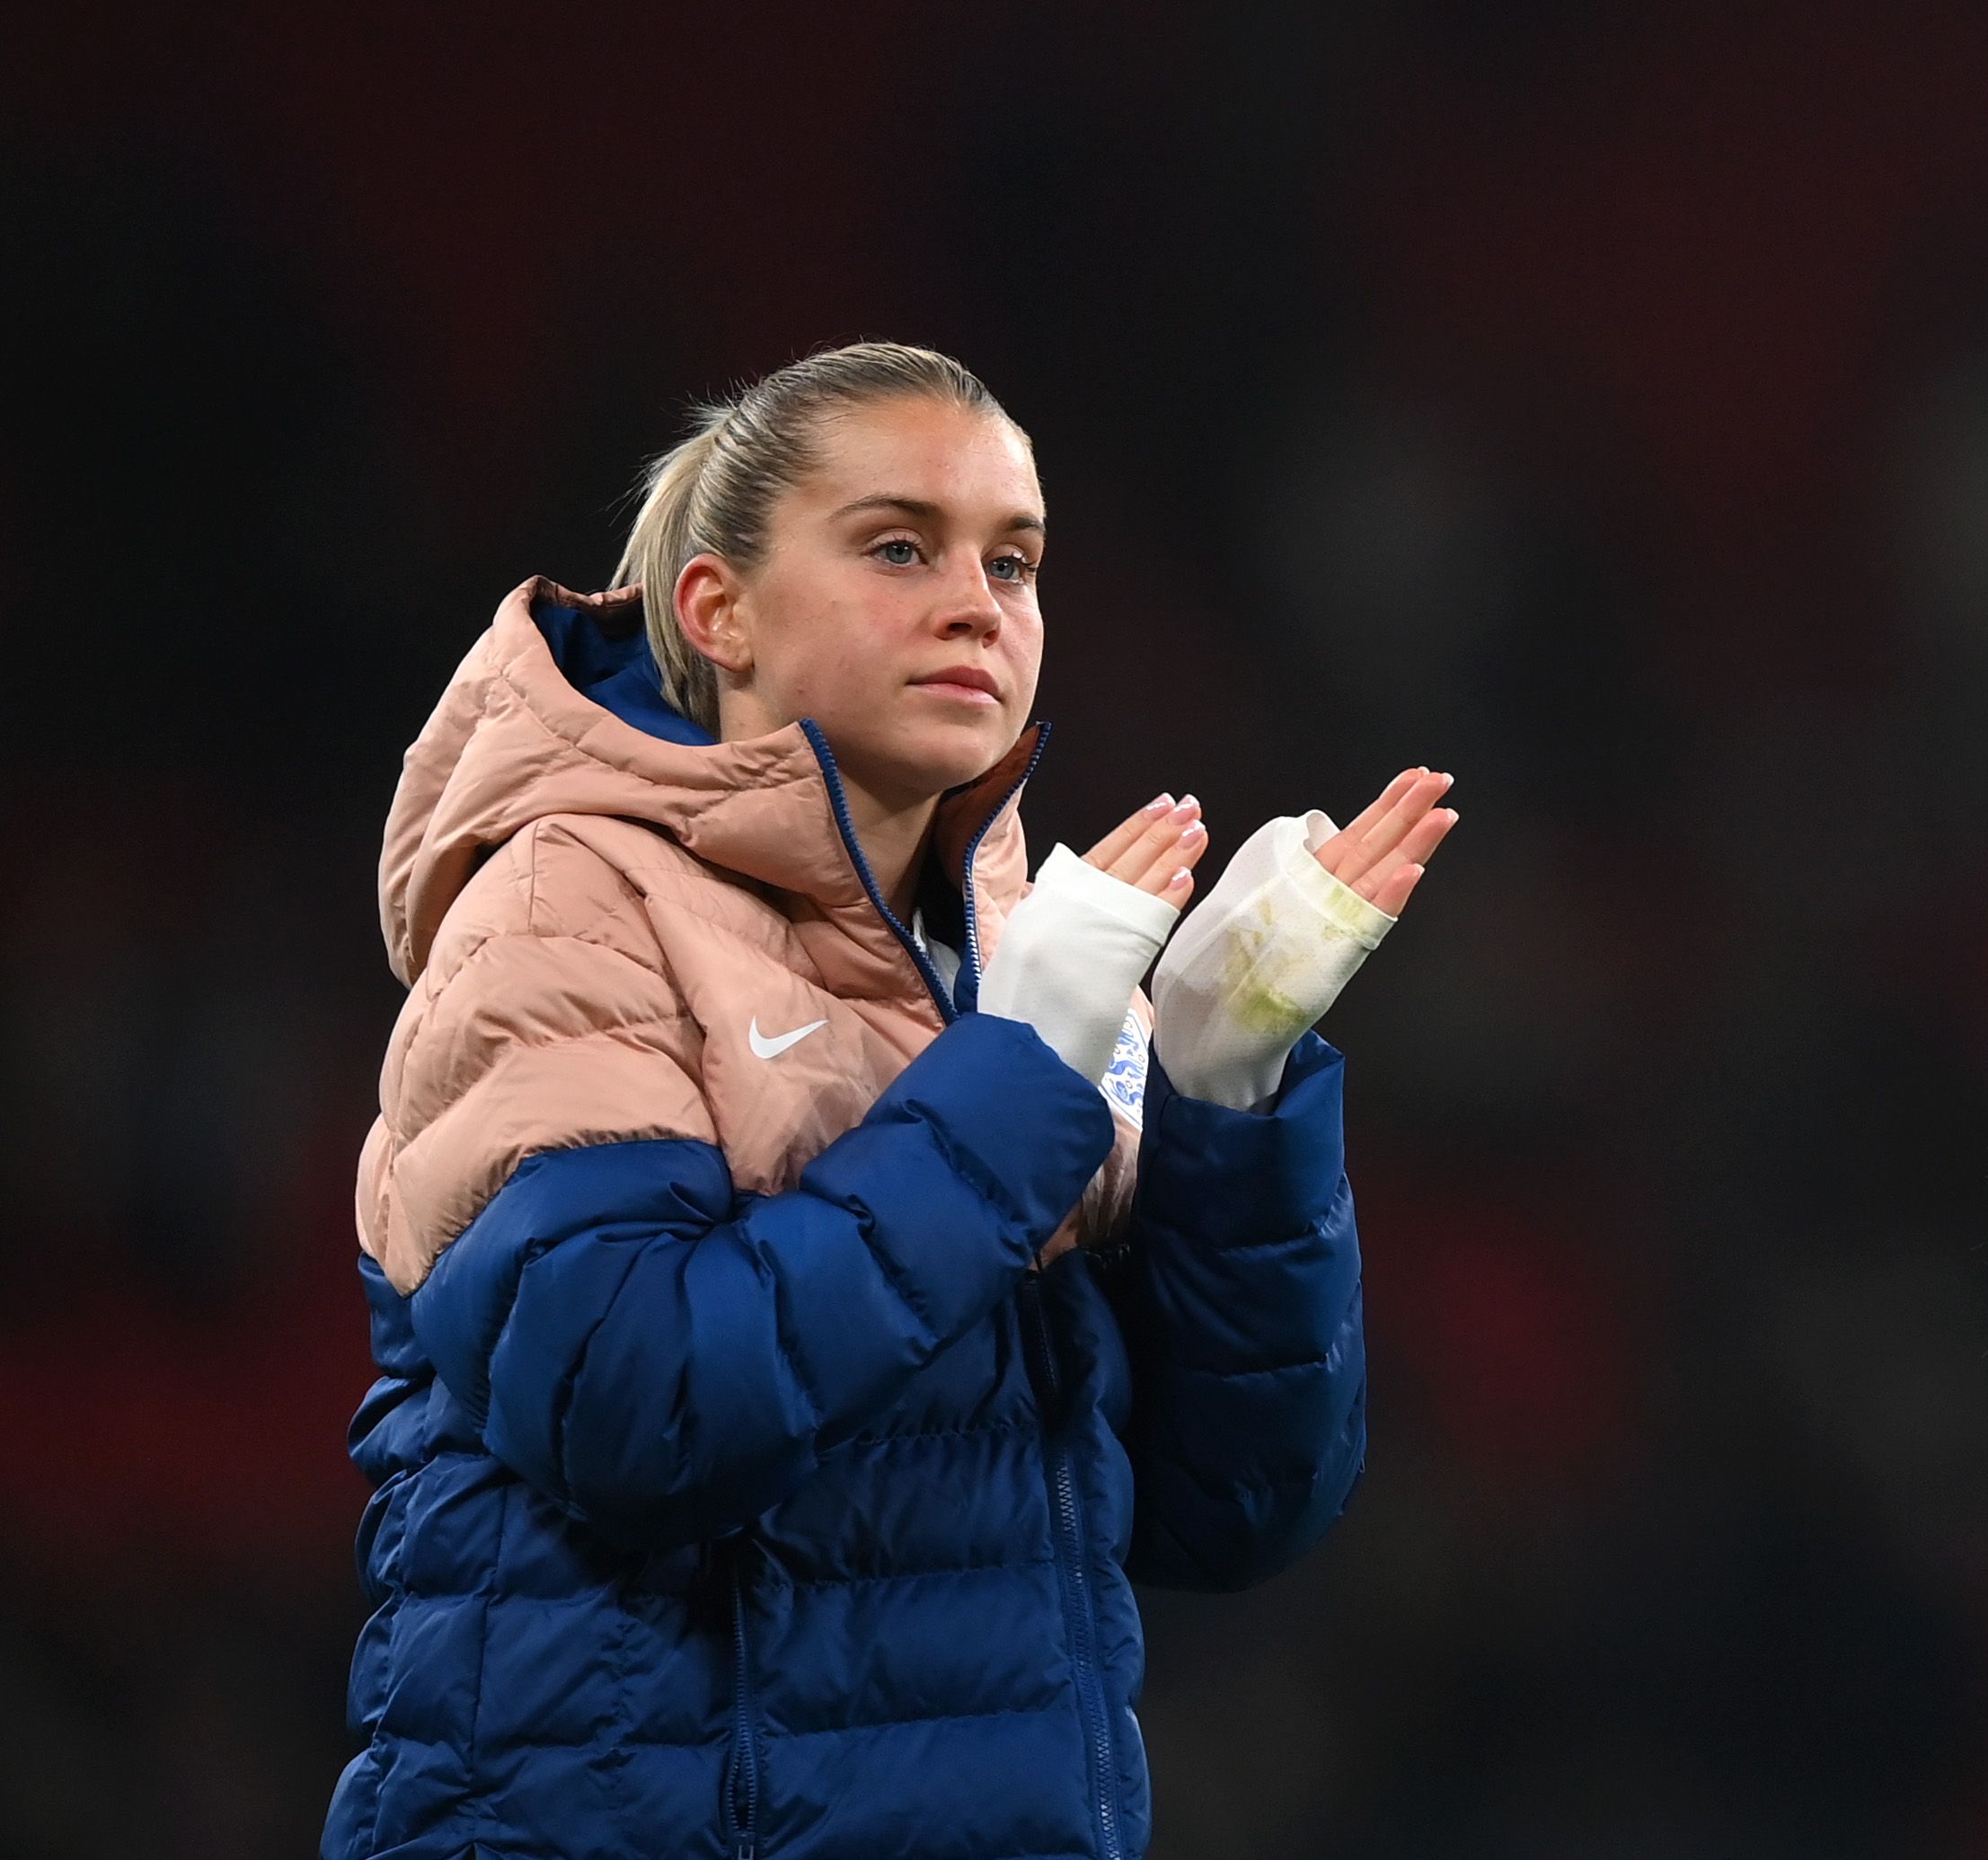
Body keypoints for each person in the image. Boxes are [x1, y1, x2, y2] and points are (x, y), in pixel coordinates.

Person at [330, 341, 1455, 1860]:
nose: (976, 603)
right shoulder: (563, 902)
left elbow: (1228, 1509)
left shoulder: (1030, 960)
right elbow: (641, 1411)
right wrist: (1015, 1078)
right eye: (899, 546)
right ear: (715, 609)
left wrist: (1218, 1083)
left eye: (1016, 561)